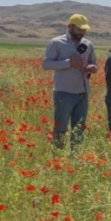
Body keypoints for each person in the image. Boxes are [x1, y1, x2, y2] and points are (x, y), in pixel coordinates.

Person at [42, 14, 98, 149]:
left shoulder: (88, 44)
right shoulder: (56, 43)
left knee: (79, 128)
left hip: (82, 93)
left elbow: (94, 63)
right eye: (80, 30)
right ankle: (58, 157)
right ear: (70, 27)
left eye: (84, 30)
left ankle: (76, 156)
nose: (82, 33)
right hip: (64, 93)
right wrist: (68, 63)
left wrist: (92, 68)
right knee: (60, 128)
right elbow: (46, 64)